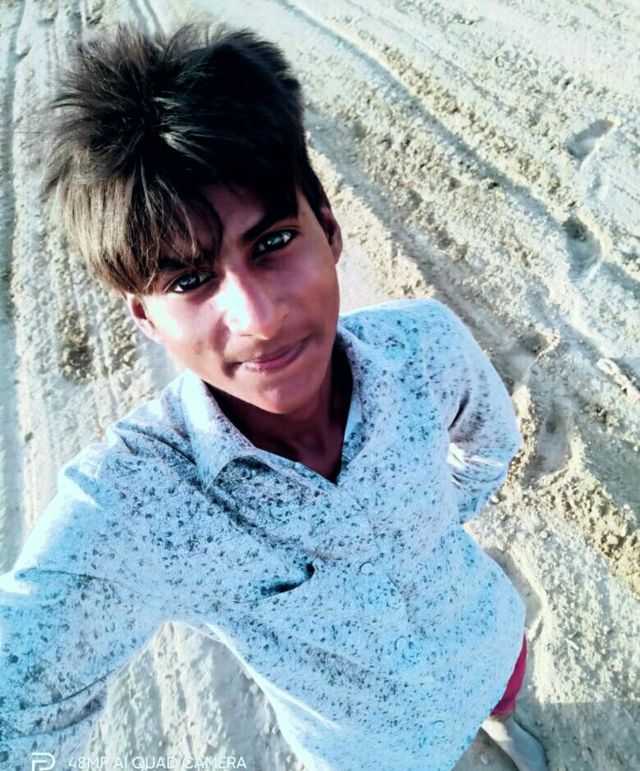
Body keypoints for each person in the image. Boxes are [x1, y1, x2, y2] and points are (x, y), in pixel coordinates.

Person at [0, 23, 548, 771]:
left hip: (490, 645)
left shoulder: (423, 346)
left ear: (328, 226)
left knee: (507, 693)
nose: (257, 318)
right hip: (374, 756)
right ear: (147, 319)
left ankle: (502, 718)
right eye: (190, 280)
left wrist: (427, 523)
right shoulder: (135, 506)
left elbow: (489, 443)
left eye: (272, 243)